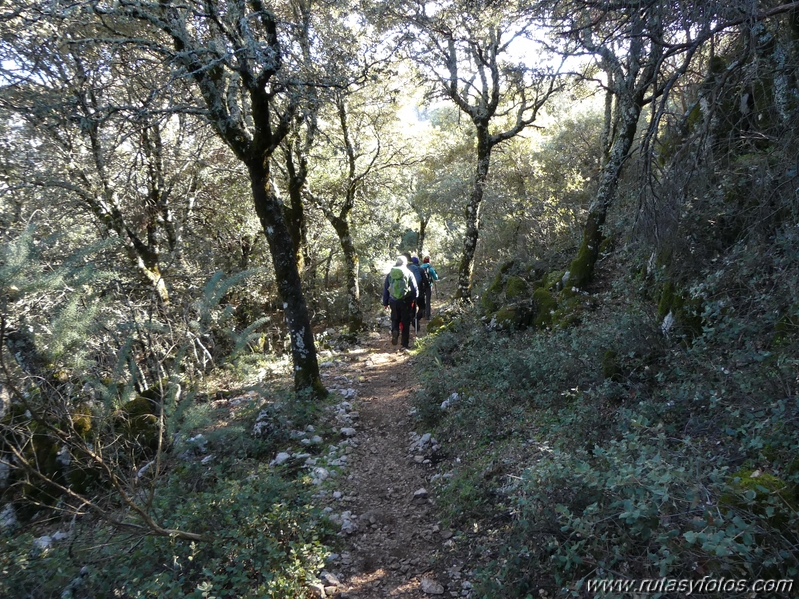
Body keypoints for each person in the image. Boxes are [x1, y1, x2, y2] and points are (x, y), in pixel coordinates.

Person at [382, 256, 418, 349]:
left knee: (395, 318)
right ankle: (404, 344)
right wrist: (415, 298)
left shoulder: (391, 273)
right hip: (405, 300)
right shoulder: (408, 272)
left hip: (393, 301)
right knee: (405, 321)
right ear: (405, 263)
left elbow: (386, 288)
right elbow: (414, 287)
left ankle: (395, 330)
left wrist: (385, 302)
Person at [403, 252, 424, 332]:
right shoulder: (414, 268)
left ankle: (403, 329)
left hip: (402, 294)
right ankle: (415, 322)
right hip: (413, 292)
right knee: (418, 308)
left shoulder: (397, 269)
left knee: (407, 310)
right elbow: (418, 280)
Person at [420, 256, 439, 320]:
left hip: (421, 286)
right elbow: (436, 277)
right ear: (429, 261)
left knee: (422, 300)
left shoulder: (420, 267)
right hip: (428, 285)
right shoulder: (430, 268)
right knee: (428, 300)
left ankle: (422, 313)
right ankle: (427, 315)